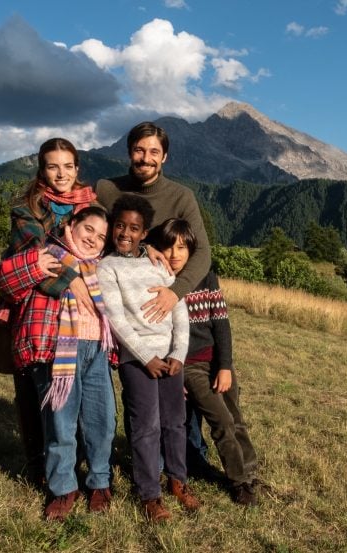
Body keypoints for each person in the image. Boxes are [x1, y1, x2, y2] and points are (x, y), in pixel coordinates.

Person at [0, 207, 117, 521]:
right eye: (88, 229)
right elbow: (3, 277)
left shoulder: (103, 266)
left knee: (103, 422)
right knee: (61, 424)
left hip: (97, 351)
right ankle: (63, 488)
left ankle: (100, 481)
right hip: (61, 351)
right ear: (71, 225)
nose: (93, 239)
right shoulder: (47, 255)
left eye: (101, 236)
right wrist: (39, 268)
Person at [0, 138, 97, 484]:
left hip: (80, 318)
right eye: (53, 166)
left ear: (77, 168)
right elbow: (39, 254)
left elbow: (108, 243)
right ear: (42, 169)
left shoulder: (91, 204)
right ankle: (38, 467)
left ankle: (77, 465)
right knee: (34, 393)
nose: (61, 173)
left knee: (78, 394)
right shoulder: (25, 209)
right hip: (36, 311)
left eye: (68, 166)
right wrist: (74, 280)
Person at [96, 195, 200, 523]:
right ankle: (148, 494)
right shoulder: (107, 267)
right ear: (113, 228)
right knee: (145, 426)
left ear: (145, 233)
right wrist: (145, 357)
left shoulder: (157, 264)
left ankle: (177, 481)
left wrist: (178, 354)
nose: (126, 232)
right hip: (136, 360)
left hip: (171, 358)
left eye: (135, 228)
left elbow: (178, 308)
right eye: (120, 226)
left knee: (174, 422)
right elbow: (116, 318)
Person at [150, 218, 260, 506]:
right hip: (190, 367)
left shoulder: (206, 277)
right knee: (221, 421)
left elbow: (221, 325)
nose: (175, 254)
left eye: (182, 247)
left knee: (236, 419)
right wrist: (177, 373)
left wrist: (225, 366)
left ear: (191, 251)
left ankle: (250, 473)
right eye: (168, 247)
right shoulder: (159, 284)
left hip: (217, 362)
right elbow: (159, 334)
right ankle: (238, 482)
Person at [95, 122, 211, 323]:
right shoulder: (105, 190)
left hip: (161, 302)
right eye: (139, 150)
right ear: (129, 152)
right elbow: (93, 238)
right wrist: (142, 247)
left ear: (164, 157)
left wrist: (175, 292)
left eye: (154, 152)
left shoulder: (181, 197)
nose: (146, 159)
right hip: (115, 303)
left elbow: (202, 252)